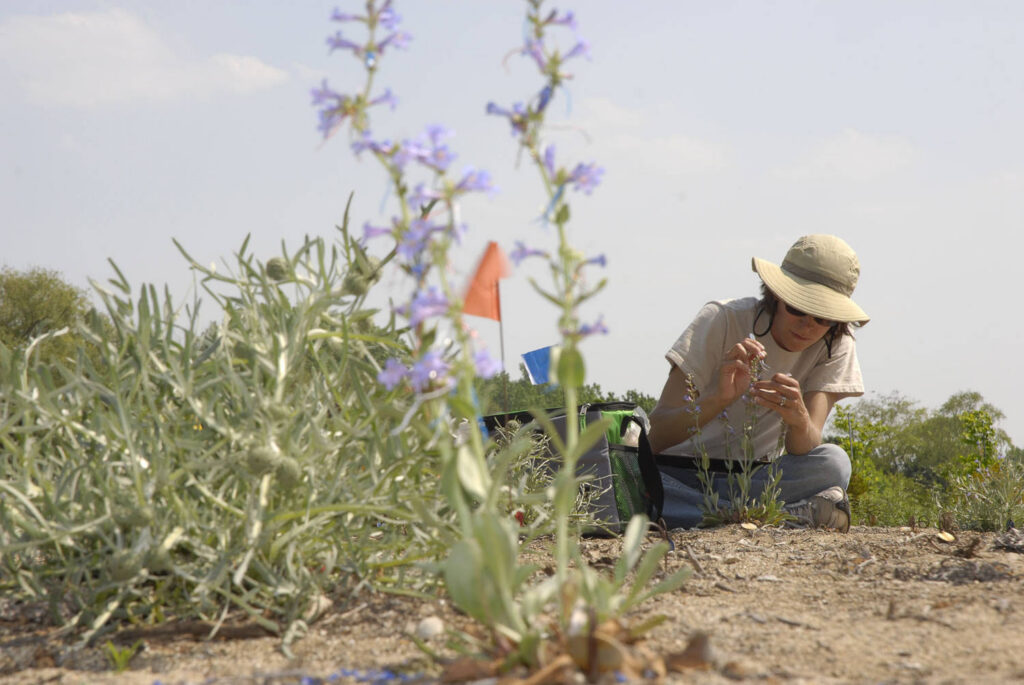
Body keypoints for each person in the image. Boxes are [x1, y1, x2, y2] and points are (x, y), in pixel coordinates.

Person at [647, 234, 868, 531]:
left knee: (834, 462)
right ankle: (783, 516)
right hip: (679, 472)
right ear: (776, 295)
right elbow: (656, 436)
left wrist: (800, 420)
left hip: (758, 478)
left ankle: (703, 513)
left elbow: (807, 445)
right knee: (630, 474)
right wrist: (717, 399)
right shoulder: (722, 319)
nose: (808, 325)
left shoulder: (837, 343)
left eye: (823, 318)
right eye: (798, 308)